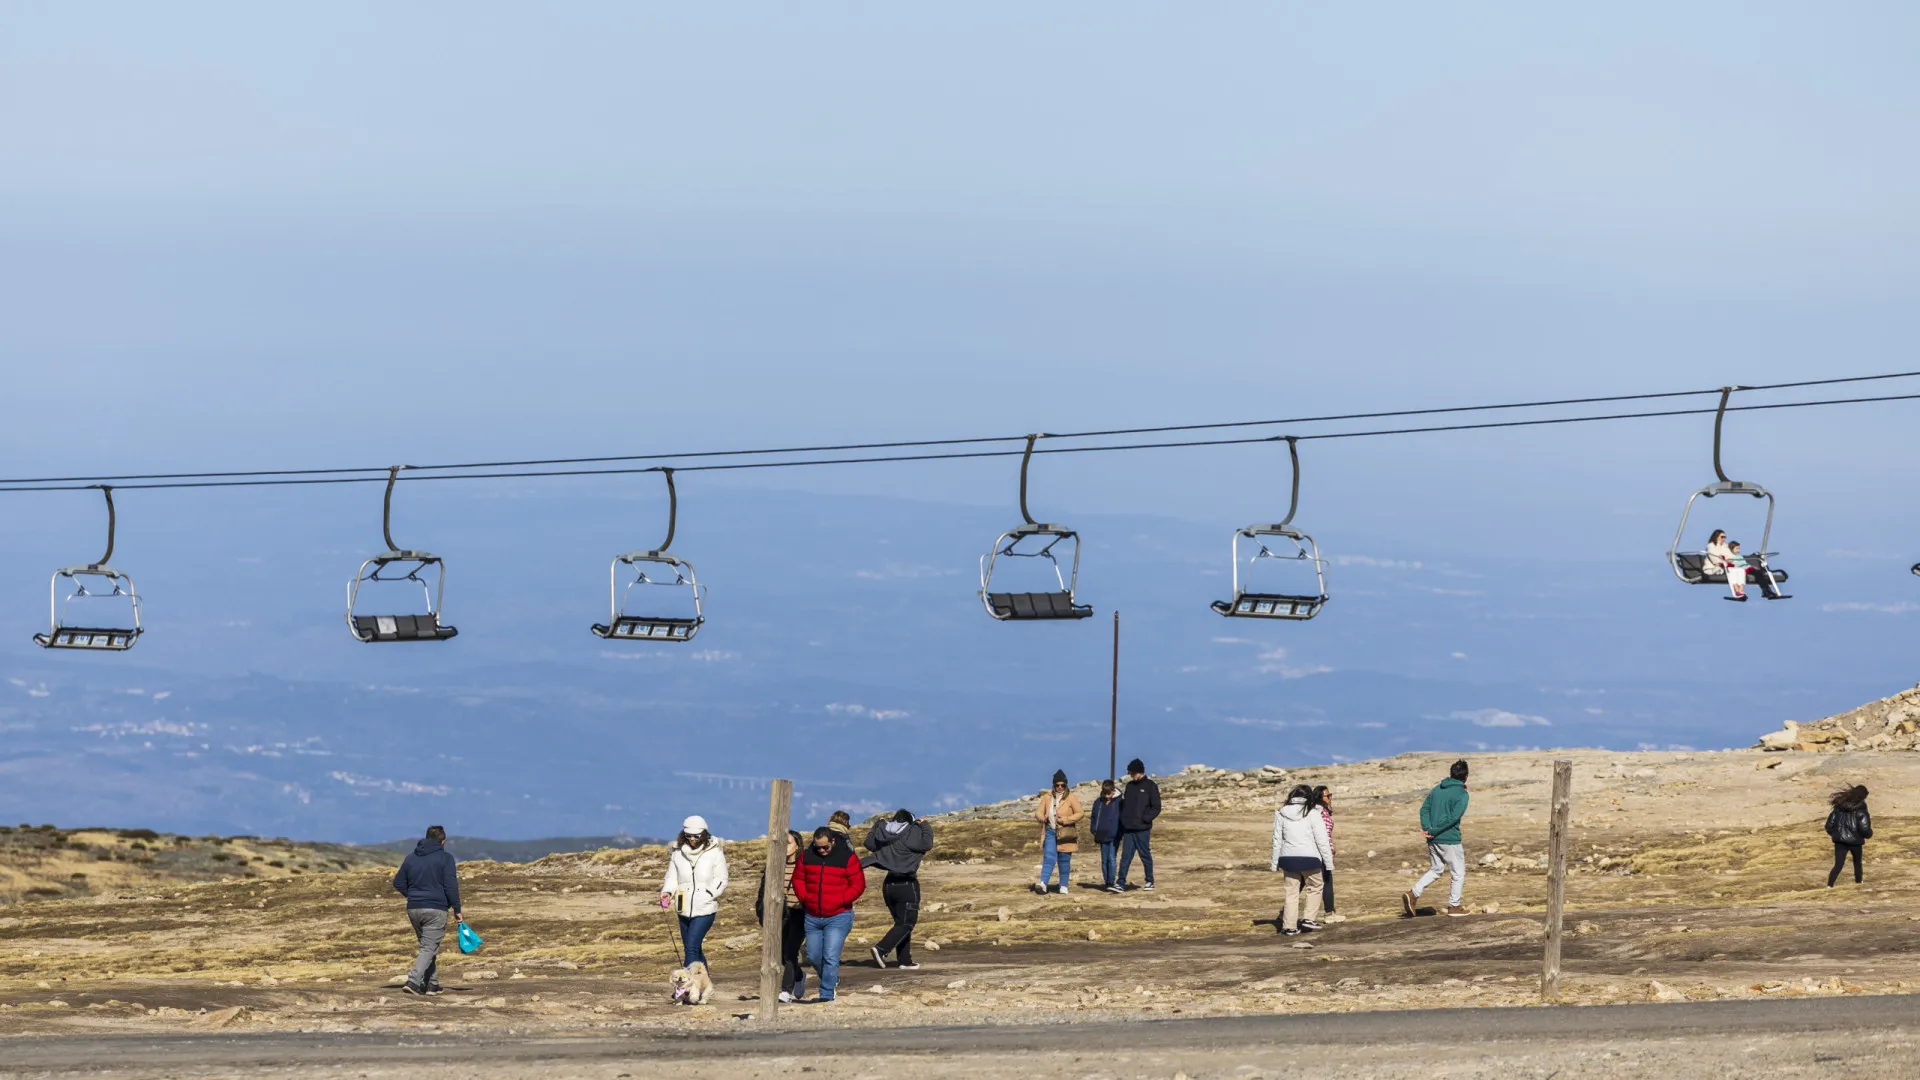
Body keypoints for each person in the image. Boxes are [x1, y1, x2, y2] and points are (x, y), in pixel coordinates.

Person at [793, 825, 865, 1002]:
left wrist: (842, 899)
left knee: (831, 955)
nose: (822, 851)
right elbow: (798, 878)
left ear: (833, 841)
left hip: (839, 915)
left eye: (825, 847)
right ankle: (831, 979)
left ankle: (826, 993)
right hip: (812, 915)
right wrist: (805, 897)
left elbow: (858, 884)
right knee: (813, 955)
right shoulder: (807, 856)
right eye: (818, 847)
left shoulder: (847, 858)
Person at [391, 824, 463, 996]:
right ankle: (414, 981)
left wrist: (414, 895)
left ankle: (432, 984)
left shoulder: (411, 858)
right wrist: (457, 909)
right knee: (429, 947)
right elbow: (451, 886)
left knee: (427, 946)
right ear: (443, 841)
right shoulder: (445, 858)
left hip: (414, 908)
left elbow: (398, 883)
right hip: (436, 909)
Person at [864, 809, 934, 969]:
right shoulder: (910, 835)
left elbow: (869, 843)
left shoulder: (886, 837)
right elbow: (927, 843)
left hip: (889, 885)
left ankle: (905, 960)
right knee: (907, 923)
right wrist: (925, 826)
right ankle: (881, 949)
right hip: (906, 883)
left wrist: (877, 826)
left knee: (900, 923)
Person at [1403, 759, 1471, 917]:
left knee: (1436, 869)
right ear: (1466, 776)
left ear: (1451, 773)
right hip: (1449, 839)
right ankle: (1454, 906)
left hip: (1433, 839)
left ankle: (1413, 894)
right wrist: (1436, 830)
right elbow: (1454, 818)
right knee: (1458, 872)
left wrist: (1428, 829)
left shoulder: (1436, 789)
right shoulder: (1462, 794)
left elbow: (1424, 809)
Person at [660, 815, 729, 968]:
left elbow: (722, 879)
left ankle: (688, 986)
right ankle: (705, 983)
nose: (692, 838)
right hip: (682, 907)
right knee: (694, 949)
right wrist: (668, 893)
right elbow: (672, 877)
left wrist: (709, 894)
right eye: (688, 835)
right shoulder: (677, 852)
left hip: (705, 909)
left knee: (691, 948)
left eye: (696, 835)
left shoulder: (715, 852)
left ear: (703, 834)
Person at [1270, 785, 1334, 935]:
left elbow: (1277, 840)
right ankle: (1309, 918)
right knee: (1316, 886)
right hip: (1309, 857)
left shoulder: (1281, 814)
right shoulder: (1313, 813)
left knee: (1291, 893)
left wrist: (1274, 863)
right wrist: (1328, 862)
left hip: (1288, 858)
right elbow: (1322, 840)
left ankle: (1289, 927)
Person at [755, 829, 807, 1002]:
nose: (784, 847)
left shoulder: (806, 865)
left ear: (798, 845)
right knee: (780, 954)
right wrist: (763, 913)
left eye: (789, 843)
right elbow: (763, 892)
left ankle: (786, 991)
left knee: (790, 952)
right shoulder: (774, 866)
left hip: (800, 913)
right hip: (780, 915)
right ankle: (799, 976)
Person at [1110, 759, 1161, 893]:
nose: (1130, 774)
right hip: (1128, 829)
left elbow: (1156, 807)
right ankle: (1120, 883)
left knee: (1145, 855)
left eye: (1131, 772)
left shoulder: (1151, 786)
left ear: (1139, 771)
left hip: (1142, 829)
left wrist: (1146, 819)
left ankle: (1149, 881)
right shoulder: (1130, 786)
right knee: (1125, 857)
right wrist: (1123, 820)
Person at [1032, 770, 1083, 895]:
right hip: (1050, 831)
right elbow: (1038, 812)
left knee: (1064, 859)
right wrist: (1041, 817)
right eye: (1057, 785)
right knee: (1049, 857)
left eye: (1062, 785)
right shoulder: (1047, 797)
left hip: (1065, 833)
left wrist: (1066, 819)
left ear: (1066, 785)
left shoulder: (1071, 797)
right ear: (1053, 785)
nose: (1060, 787)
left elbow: (1080, 813)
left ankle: (1063, 885)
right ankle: (1043, 883)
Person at [1825, 785, 1873, 887]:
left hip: (1840, 842)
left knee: (1838, 865)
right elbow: (1864, 829)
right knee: (1857, 863)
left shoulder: (1838, 807)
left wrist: (1836, 835)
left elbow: (1829, 825)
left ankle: (1829, 885)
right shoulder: (1862, 810)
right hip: (1856, 842)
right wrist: (1869, 835)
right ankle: (1859, 882)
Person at [1089, 779, 1122, 890]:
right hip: (1101, 834)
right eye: (1105, 794)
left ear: (1113, 791)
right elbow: (1093, 817)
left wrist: (1121, 831)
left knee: (1111, 858)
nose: (1107, 796)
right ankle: (1106, 882)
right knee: (1104, 860)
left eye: (1109, 793)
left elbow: (1122, 818)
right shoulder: (1098, 802)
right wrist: (1094, 829)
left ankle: (1111, 882)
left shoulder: (1119, 802)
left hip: (1114, 834)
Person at [1312, 784, 1336, 915]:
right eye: (1328, 796)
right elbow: (1325, 835)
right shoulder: (1321, 812)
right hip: (1320, 851)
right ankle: (1329, 912)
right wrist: (1330, 851)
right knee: (1326, 881)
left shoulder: (1314, 811)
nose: (1330, 798)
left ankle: (1285, 912)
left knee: (1302, 882)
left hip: (1312, 851)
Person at [1704, 530, 1740, 597]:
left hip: (1724, 567)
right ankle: (1737, 593)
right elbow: (1715, 560)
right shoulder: (1711, 546)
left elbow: (1731, 557)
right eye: (1722, 537)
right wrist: (1723, 560)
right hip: (1713, 568)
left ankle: (1739, 591)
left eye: (1725, 537)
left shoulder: (1725, 546)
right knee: (1732, 572)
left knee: (1738, 571)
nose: (1724, 539)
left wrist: (1724, 559)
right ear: (1716, 536)